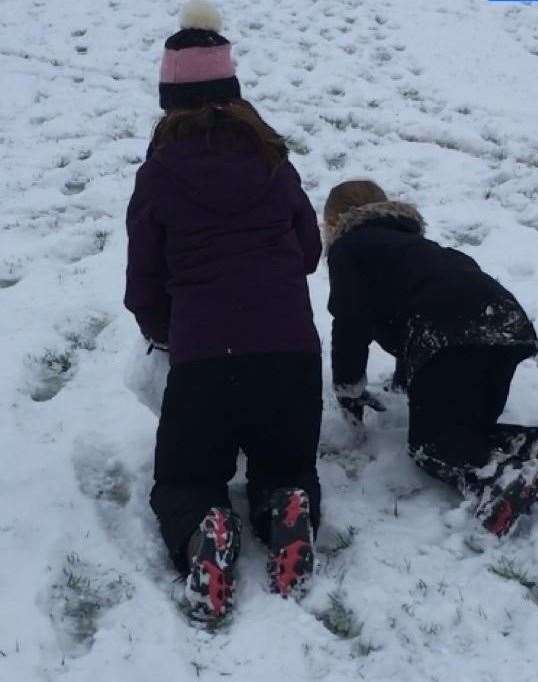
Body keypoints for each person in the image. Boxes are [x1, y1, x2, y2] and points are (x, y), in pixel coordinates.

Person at [125, 0, 322, 623]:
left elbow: (144, 283)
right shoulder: (272, 159)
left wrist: (165, 332)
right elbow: (309, 247)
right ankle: (285, 506)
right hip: (290, 352)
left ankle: (203, 527)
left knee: (184, 477)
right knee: (286, 461)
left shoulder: (158, 173)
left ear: (168, 100)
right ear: (233, 91)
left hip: (206, 357)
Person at [324, 180, 538, 536]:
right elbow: (416, 298)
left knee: (430, 446)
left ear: (333, 223)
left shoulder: (348, 249)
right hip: (505, 324)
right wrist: (407, 379)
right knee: (464, 428)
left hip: (452, 334)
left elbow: (351, 322)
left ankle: (501, 479)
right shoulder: (414, 248)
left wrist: (348, 387)